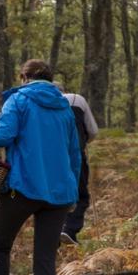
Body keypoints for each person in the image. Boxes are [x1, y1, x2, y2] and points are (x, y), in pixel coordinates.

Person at [0, 59, 81, 275]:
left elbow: (2, 137)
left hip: (21, 188)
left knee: (0, 247)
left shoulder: (17, 100)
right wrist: (73, 193)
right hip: (59, 193)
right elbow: (75, 154)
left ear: (24, 77)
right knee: (45, 258)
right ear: (50, 78)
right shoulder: (65, 108)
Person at [60, 91, 98, 245]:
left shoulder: (29, 101)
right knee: (80, 194)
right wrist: (83, 140)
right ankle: (69, 229)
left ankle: (53, 234)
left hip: (48, 159)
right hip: (76, 155)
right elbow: (93, 131)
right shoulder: (78, 100)